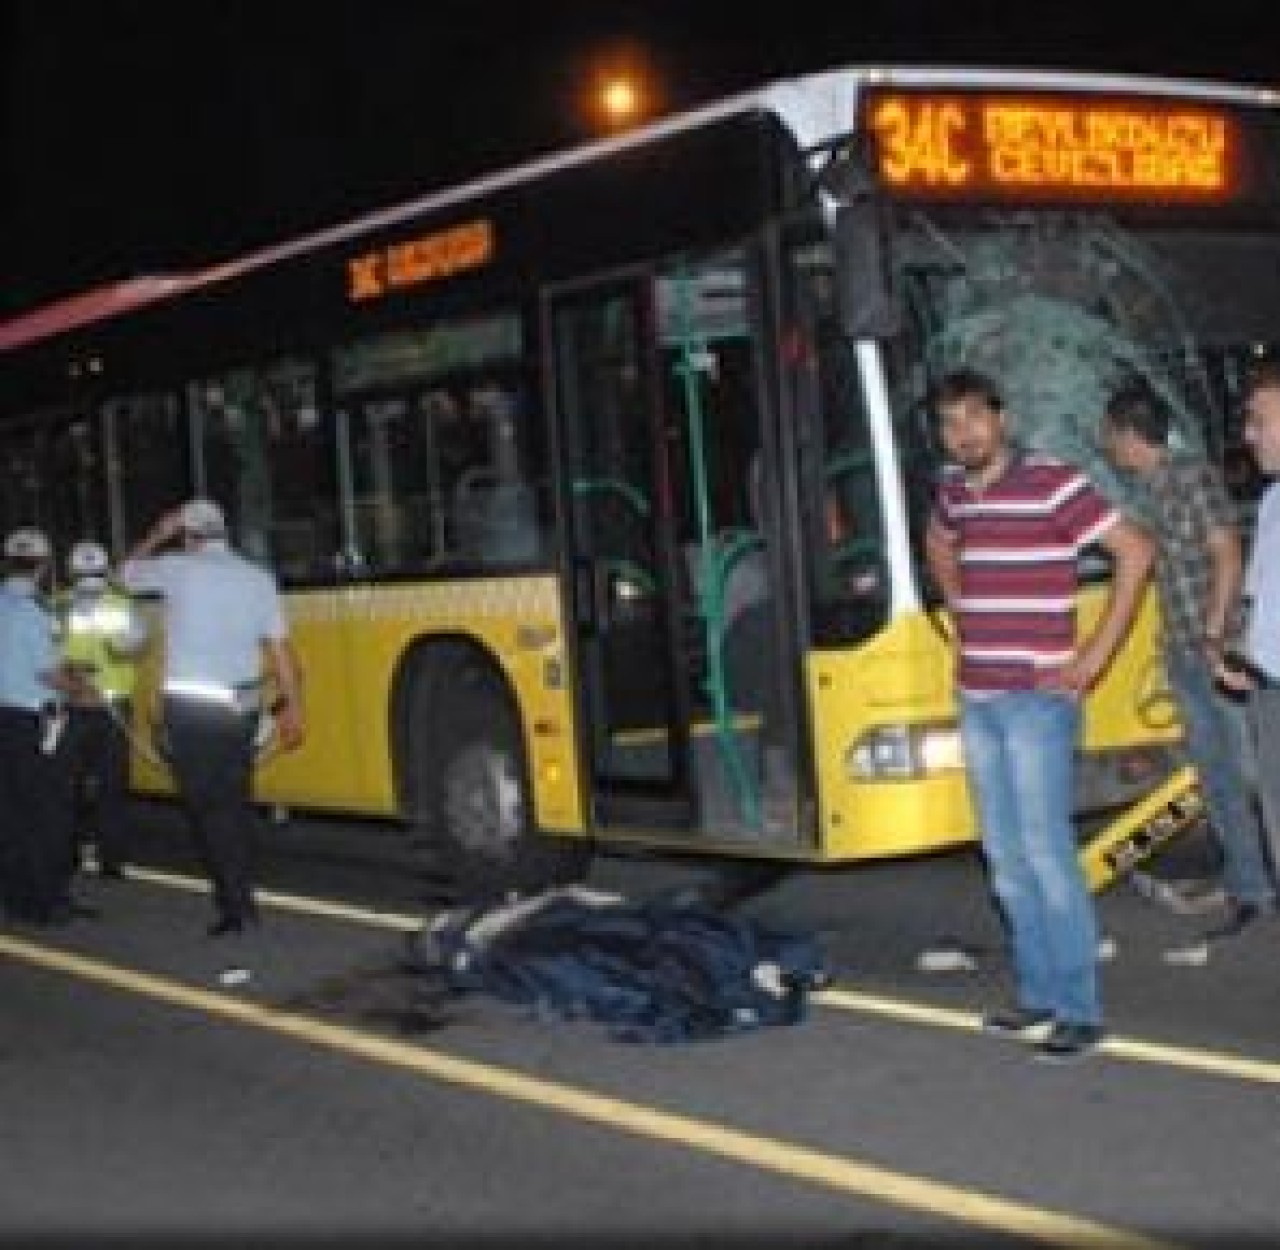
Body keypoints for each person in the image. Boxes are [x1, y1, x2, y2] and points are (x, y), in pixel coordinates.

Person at [925, 368, 1153, 1061]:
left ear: (1002, 418)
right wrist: (960, 603)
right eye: (950, 423)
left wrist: (1094, 658)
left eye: (974, 418)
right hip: (978, 697)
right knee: (1005, 859)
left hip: (1036, 703)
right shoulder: (954, 491)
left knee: (1047, 854)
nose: (963, 433)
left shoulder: (1051, 480)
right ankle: (1038, 997)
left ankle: (1080, 1010)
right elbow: (938, 541)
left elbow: (1135, 552)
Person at [1100, 380, 1276, 937]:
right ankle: (1249, 888)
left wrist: (1214, 631)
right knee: (1216, 776)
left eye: (1109, 437)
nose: (1106, 448)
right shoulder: (1148, 490)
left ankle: (1254, 883)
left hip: (1214, 650)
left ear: (1129, 435)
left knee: (1250, 774)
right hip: (1183, 650)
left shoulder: (1189, 476)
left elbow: (1226, 550)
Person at [118, 499, 304, 952]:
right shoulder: (257, 579)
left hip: (193, 713)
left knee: (207, 812)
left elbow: (123, 575)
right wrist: (293, 710)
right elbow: (282, 655)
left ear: (188, 535)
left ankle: (235, 905)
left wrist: (157, 534)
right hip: (242, 711)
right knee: (235, 804)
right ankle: (241, 897)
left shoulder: (177, 569)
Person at [0, 527, 92, 924]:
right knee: (50, 812)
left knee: (14, 811)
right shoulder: (35, 611)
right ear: (43, 566)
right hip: (38, 723)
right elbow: (47, 674)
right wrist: (84, 690)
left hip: (6, 718)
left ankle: (18, 897)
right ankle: (49, 901)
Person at [1215, 360, 1280, 903]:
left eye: (1260, 418)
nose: (1248, 434)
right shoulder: (1271, 503)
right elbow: (1259, 597)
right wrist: (1241, 655)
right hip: (1267, 693)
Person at [55, 539, 151, 879]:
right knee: (112, 787)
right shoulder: (123, 605)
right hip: (113, 708)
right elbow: (138, 648)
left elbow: (47, 657)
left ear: (71, 570)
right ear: (105, 569)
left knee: (68, 786)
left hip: (69, 707)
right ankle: (112, 862)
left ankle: (68, 856)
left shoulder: (58, 605)